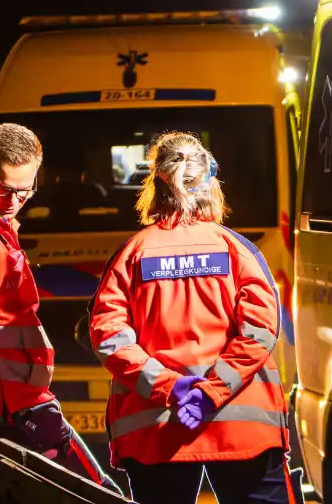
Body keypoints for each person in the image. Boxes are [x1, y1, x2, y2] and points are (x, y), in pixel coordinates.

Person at [89, 131, 294, 504]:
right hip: (240, 426)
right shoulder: (238, 250)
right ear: (210, 182)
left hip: (157, 429)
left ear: (155, 184)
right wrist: (211, 393)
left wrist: (172, 387)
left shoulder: (132, 254)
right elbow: (260, 332)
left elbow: (108, 336)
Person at [0, 123, 121, 494]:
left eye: (25, 190)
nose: (14, 200)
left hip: (9, 402)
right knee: (101, 494)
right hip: (14, 405)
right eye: (3, 188)